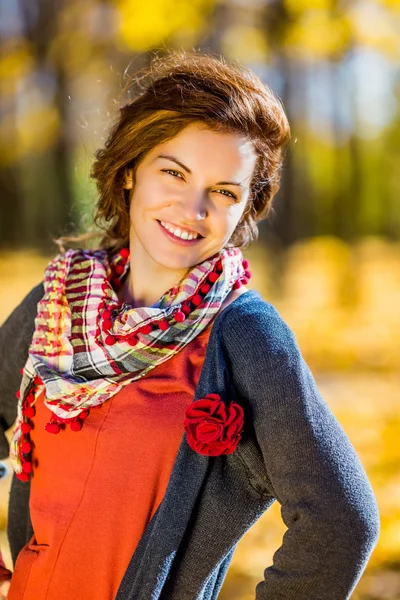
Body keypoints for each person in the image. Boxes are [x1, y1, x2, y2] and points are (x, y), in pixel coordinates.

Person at [0, 50, 379, 600]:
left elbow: (342, 521)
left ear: (246, 207)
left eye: (224, 192)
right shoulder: (58, 301)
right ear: (130, 170)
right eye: (173, 172)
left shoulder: (244, 335)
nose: (193, 208)